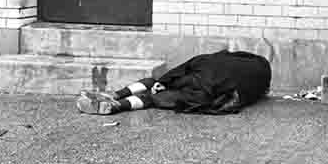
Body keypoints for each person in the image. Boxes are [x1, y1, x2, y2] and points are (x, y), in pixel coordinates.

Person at [76, 50, 271, 115]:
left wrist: (164, 81)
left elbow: (186, 66)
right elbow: (238, 100)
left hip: (203, 81)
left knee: (154, 86)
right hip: (210, 93)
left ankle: (117, 95)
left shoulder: (216, 58)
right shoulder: (259, 80)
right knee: (155, 98)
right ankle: (117, 104)